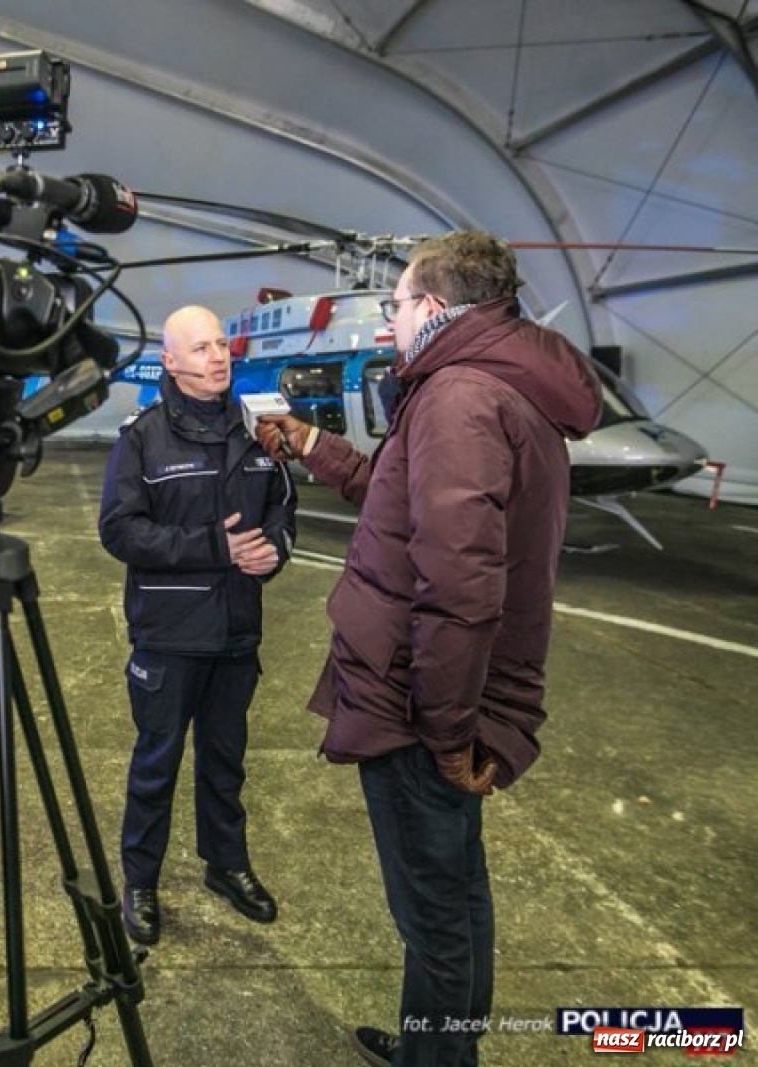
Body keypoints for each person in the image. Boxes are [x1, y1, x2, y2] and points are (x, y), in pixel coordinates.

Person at [254, 231, 602, 1066]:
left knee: (434, 915)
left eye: (400, 303)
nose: (393, 319)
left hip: (421, 699)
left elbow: (459, 586)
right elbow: (400, 494)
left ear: (436, 307)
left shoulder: (457, 398)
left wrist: (446, 729)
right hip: (452, 690)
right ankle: (434, 1045)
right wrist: (311, 443)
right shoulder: (496, 384)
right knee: (456, 888)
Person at [98, 304, 297, 946]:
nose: (218, 357)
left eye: (221, 345)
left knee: (226, 762)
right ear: (171, 360)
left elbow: (282, 510)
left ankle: (226, 864)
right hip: (169, 634)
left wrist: (274, 551)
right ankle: (141, 880)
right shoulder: (143, 438)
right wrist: (216, 547)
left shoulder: (256, 430)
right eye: (202, 348)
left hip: (236, 632)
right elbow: (120, 530)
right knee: (155, 765)